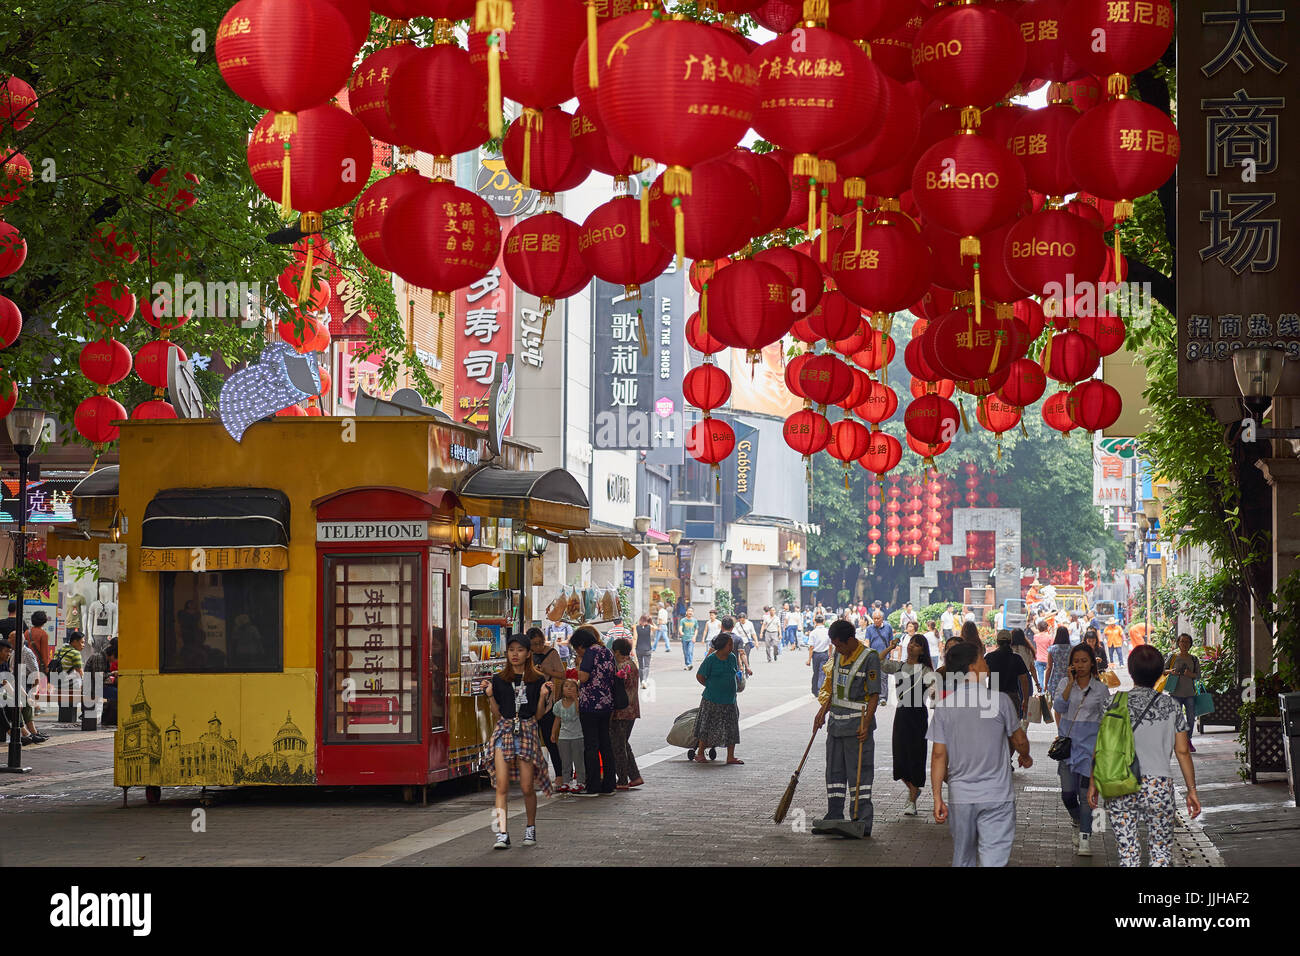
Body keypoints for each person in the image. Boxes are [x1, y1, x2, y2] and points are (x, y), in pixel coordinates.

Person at [1088, 645, 1201, 867]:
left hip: (1120, 782)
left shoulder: (1112, 703)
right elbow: (1182, 751)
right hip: (1158, 785)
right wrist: (1192, 791)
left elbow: (1101, 746)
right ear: (1161, 672)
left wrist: (1093, 782)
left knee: (1127, 851)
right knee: (1160, 852)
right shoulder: (1171, 706)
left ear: (1130, 671)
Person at [929, 641, 1032, 867]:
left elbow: (938, 756)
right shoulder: (1000, 701)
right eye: (982, 659)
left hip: (961, 796)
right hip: (997, 795)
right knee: (993, 858)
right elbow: (1020, 740)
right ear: (972, 667)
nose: (987, 662)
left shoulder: (945, 707)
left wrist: (937, 797)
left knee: (963, 857)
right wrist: (1025, 755)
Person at [811, 619, 882, 835]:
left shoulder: (869, 658)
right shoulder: (838, 655)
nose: (837, 649)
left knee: (859, 774)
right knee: (834, 772)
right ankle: (834, 815)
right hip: (836, 725)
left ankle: (861, 820)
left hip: (857, 726)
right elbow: (834, 688)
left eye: (840, 644)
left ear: (851, 640)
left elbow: (874, 695)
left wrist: (867, 723)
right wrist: (822, 711)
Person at [487, 634, 553, 848]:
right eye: (511, 650)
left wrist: (543, 696)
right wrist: (489, 695)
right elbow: (497, 713)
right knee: (501, 786)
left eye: (520, 650)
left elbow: (539, 715)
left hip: (526, 731)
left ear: (528, 654)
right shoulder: (499, 679)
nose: (515, 654)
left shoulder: (537, 679)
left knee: (526, 787)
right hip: (504, 731)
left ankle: (530, 828)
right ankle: (501, 834)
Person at [1054, 643, 1112, 856]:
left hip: (1091, 749)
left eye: (1084, 661)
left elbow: (1107, 719)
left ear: (1092, 663)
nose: (1080, 665)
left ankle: (1086, 838)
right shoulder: (1063, 683)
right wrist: (1070, 684)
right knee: (1067, 794)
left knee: (1086, 795)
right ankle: (1077, 819)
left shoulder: (1100, 689)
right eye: (1076, 661)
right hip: (1068, 747)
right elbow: (1059, 708)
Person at [883, 633, 931, 816]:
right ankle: (913, 789)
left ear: (922, 650)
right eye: (911, 642)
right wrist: (891, 647)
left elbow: (935, 687)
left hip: (918, 715)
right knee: (900, 756)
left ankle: (912, 798)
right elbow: (879, 661)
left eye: (917, 645)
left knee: (916, 755)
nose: (912, 646)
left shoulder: (926, 670)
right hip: (902, 713)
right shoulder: (898, 666)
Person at [571, 626, 617, 796]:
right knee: (605, 744)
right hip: (606, 704)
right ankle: (609, 784)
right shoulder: (607, 651)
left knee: (591, 745)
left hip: (590, 705)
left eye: (577, 649)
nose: (578, 652)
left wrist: (578, 666)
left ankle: (593, 785)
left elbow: (583, 677)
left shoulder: (590, 653)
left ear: (581, 645)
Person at [692, 633, 743, 765]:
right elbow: (700, 676)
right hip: (712, 699)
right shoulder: (711, 659)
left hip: (730, 699)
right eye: (729, 644)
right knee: (707, 726)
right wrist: (711, 686)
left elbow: (734, 672)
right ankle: (700, 753)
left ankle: (730, 756)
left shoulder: (732, 657)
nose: (732, 647)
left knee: (731, 727)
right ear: (721, 646)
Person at [528, 627, 567, 780]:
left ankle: (560, 774)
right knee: (532, 740)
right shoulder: (527, 655)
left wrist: (546, 671)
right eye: (534, 644)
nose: (537, 647)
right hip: (530, 700)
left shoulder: (552, 653)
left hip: (547, 701)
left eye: (540, 643)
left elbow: (562, 674)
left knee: (550, 739)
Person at [609, 637, 644, 790]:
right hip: (632, 709)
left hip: (621, 712)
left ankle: (622, 780)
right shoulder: (632, 665)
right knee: (623, 743)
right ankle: (635, 776)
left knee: (618, 746)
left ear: (616, 651)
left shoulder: (622, 667)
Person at [984, 629, 1031, 726]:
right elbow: (1024, 680)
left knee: (994, 727)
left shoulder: (989, 657)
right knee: (1012, 729)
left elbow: (981, 676)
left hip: (993, 695)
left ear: (997, 642)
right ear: (1011, 642)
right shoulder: (1016, 658)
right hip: (1012, 697)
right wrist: (1025, 700)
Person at [1164, 633, 1202, 752]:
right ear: (1178, 643)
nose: (1184, 644)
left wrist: (1189, 674)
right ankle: (1179, 741)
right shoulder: (1173, 657)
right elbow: (1163, 671)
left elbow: (1198, 676)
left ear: (1190, 644)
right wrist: (1172, 671)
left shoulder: (1193, 659)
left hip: (1190, 693)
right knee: (1177, 719)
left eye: (1187, 642)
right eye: (1182, 641)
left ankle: (1188, 740)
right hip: (1175, 692)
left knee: (1191, 719)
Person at [550, 679, 586, 793]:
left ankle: (581, 781)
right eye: (566, 686)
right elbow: (557, 720)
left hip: (577, 736)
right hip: (563, 737)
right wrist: (553, 733)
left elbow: (579, 712)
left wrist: (576, 698)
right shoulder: (559, 704)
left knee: (578, 760)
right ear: (562, 690)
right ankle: (566, 781)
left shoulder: (579, 702)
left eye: (572, 686)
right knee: (565, 761)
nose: (569, 688)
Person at [1045, 626, 1073, 731]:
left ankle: (1060, 729)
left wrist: (1045, 683)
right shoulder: (1072, 649)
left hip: (1056, 680)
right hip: (1069, 679)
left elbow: (1049, 668)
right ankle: (1068, 729)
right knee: (1069, 705)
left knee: (1057, 706)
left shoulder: (1052, 649)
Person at [864, 609, 894, 704]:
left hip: (884, 656)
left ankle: (883, 697)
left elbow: (891, 642)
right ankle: (874, 696)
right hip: (873, 657)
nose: (876, 620)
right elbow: (867, 641)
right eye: (874, 618)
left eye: (878, 618)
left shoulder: (888, 627)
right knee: (872, 677)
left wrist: (891, 655)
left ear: (882, 618)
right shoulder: (869, 629)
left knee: (883, 677)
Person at [806, 614, 831, 696]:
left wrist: (809, 659)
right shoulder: (827, 632)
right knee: (822, 672)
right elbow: (830, 644)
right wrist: (830, 655)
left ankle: (815, 690)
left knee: (816, 672)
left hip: (815, 655)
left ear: (815, 622)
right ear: (823, 621)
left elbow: (811, 647)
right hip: (824, 654)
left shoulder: (813, 633)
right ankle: (820, 689)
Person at [1031, 620, 1053, 693]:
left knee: (1040, 677)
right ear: (1046, 628)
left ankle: (1042, 693)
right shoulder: (1049, 637)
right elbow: (1052, 647)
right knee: (1048, 677)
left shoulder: (1036, 636)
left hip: (1039, 659)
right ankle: (1048, 692)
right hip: (1048, 660)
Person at [634, 614, 653, 688]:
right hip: (648, 649)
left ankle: (642, 681)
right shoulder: (650, 627)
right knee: (647, 666)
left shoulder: (636, 627)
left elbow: (635, 638)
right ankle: (644, 680)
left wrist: (633, 648)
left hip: (639, 649)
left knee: (641, 666)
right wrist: (650, 622)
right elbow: (657, 628)